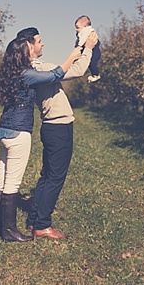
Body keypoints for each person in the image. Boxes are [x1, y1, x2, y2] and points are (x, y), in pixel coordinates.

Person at [0, 37, 83, 242]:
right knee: (12, 183)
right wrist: (74, 55)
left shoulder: (9, 73)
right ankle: (10, 231)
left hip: (2, 129)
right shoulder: (27, 75)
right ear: (22, 53)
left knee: (1, 179)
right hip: (17, 131)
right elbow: (56, 74)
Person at [16, 26, 99, 240]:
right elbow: (78, 70)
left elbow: (69, 64)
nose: (42, 44)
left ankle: (35, 220)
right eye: (39, 41)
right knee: (55, 178)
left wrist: (79, 44)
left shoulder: (34, 70)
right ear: (30, 46)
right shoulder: (41, 69)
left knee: (47, 175)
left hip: (52, 126)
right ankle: (43, 225)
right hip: (59, 127)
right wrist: (88, 48)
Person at [75, 15, 101, 83]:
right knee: (89, 63)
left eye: (78, 28)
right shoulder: (87, 30)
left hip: (94, 51)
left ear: (85, 26)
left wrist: (79, 46)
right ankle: (94, 75)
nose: (76, 29)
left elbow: (83, 39)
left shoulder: (86, 31)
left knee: (91, 63)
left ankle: (96, 75)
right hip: (94, 50)